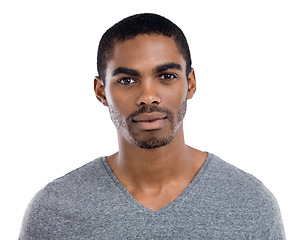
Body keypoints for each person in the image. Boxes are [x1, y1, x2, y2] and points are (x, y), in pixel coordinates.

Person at [19, 13, 286, 239]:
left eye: (166, 76)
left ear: (190, 84)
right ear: (101, 92)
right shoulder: (54, 210)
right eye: (127, 80)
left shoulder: (249, 204)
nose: (148, 96)